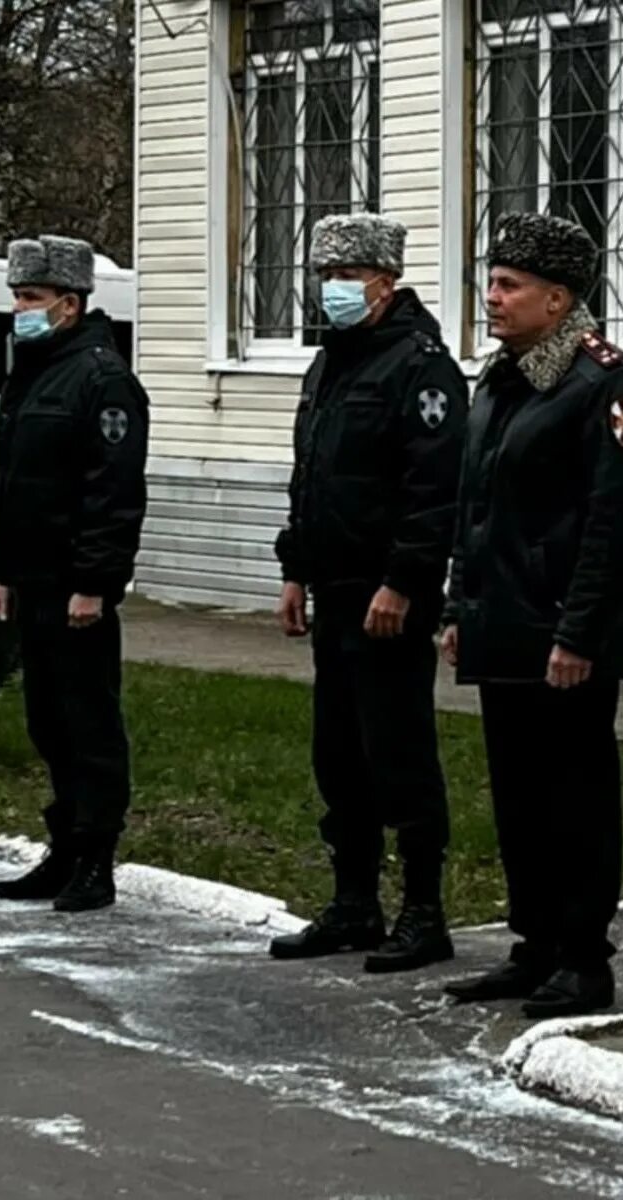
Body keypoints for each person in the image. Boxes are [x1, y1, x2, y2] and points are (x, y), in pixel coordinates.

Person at [439, 212, 623, 1018]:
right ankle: (532, 946)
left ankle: (582, 958)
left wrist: (580, 631)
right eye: (491, 283)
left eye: (509, 286)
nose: (491, 300)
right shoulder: (502, 378)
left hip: (564, 636)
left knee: (575, 799)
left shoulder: (604, 384)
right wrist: (461, 605)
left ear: (558, 299)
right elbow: (477, 505)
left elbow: (615, 522)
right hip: (502, 624)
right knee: (519, 798)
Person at [267, 213, 468, 973]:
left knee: (400, 752)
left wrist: (406, 582)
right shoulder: (331, 365)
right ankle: (354, 902)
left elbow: (433, 490)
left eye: (348, 278)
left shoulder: (418, 367)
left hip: (389, 598)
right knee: (339, 755)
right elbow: (308, 476)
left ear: (386, 283)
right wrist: (295, 569)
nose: (333, 292)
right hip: (333, 586)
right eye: (325, 277)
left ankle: (423, 909)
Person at [0, 234, 150, 914]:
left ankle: (95, 857)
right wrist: (4, 572)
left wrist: (95, 583)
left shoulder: (102, 379)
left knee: (87, 724)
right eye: (17, 296)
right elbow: (15, 486)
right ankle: (62, 847)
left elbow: (111, 492)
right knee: (49, 723)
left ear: (70, 304)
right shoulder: (32, 373)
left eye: (31, 297)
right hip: (34, 579)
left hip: (76, 585)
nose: (20, 309)